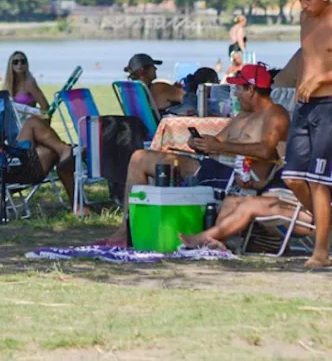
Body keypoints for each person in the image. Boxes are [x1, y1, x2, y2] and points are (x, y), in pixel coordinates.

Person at [101, 64, 289, 247]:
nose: (236, 94)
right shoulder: (242, 115)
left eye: (239, 89)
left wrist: (221, 146)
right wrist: (201, 144)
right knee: (139, 158)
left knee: (147, 159)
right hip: (214, 167)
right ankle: (126, 229)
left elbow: (266, 150)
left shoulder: (276, 114)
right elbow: (218, 142)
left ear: (251, 90)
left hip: (238, 178)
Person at [283, 0, 332, 267]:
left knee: (318, 181)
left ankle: (321, 253)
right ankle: (327, 226)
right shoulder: (304, 18)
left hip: (329, 106)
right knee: (292, 177)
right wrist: (302, 84)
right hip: (303, 106)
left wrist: (320, 80)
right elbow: (307, 57)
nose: (304, 5)